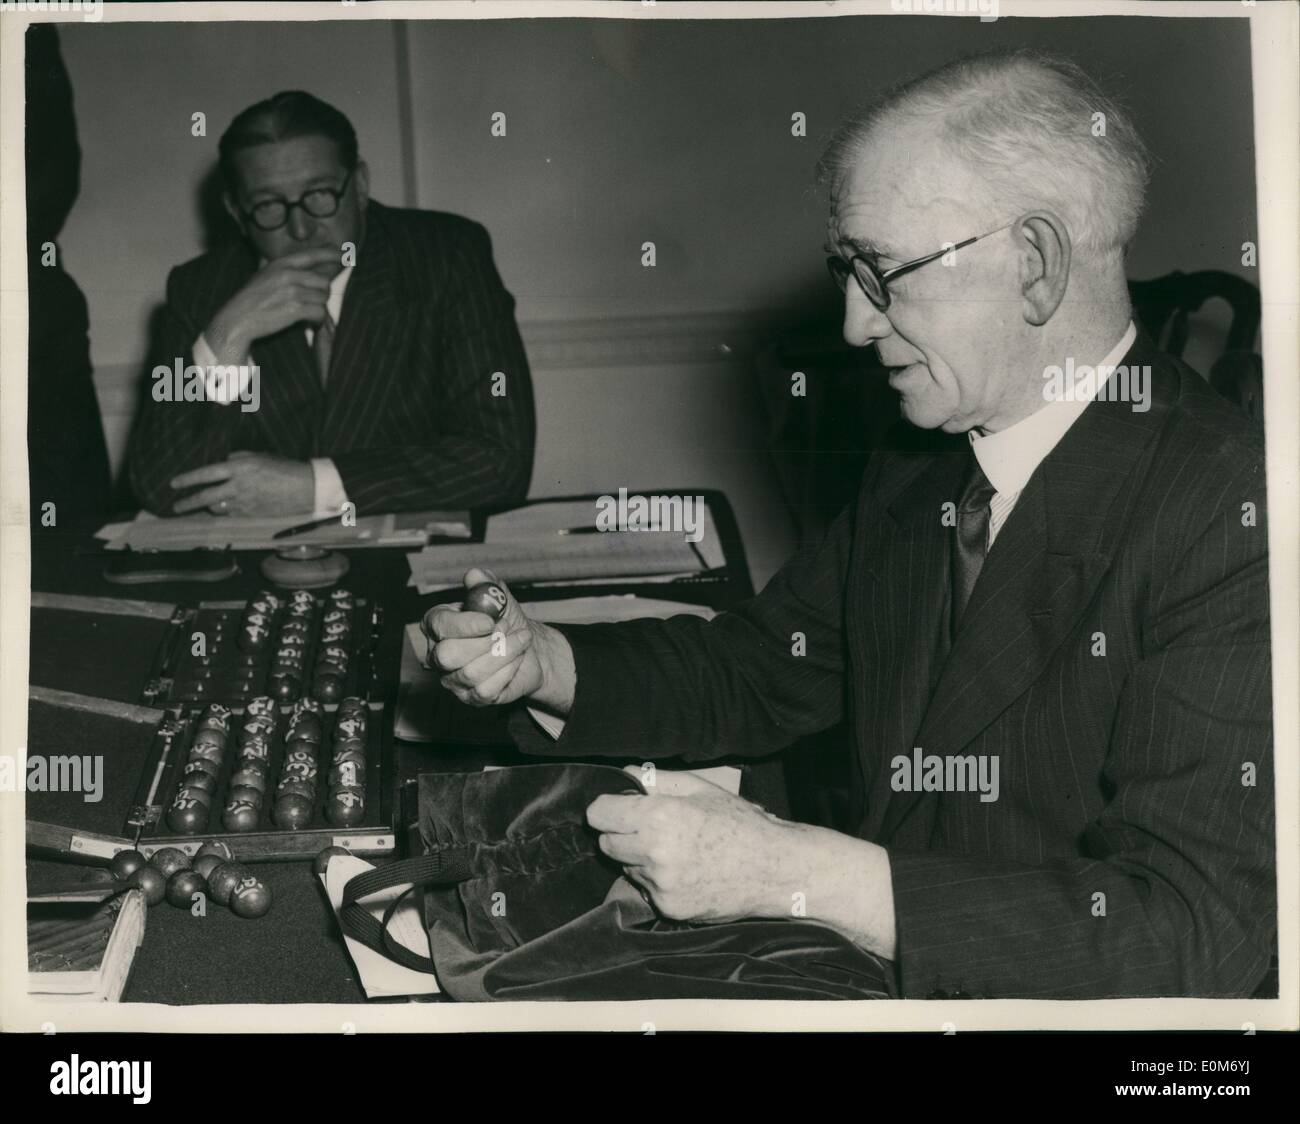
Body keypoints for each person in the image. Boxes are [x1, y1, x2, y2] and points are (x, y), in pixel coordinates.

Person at [425, 50, 1274, 999]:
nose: (854, 328)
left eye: (881, 273)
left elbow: (1193, 937)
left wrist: (797, 875)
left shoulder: (1237, 516)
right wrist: (548, 662)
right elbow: (760, 667)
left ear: (1033, 265)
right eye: (845, 272)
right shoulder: (926, 459)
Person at [128, 90, 535, 517]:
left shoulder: (447, 257)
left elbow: (501, 461)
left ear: (359, 185)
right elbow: (161, 487)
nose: (302, 229)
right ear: (235, 210)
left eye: (320, 194)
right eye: (268, 205)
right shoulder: (200, 289)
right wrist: (228, 336)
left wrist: (317, 488)